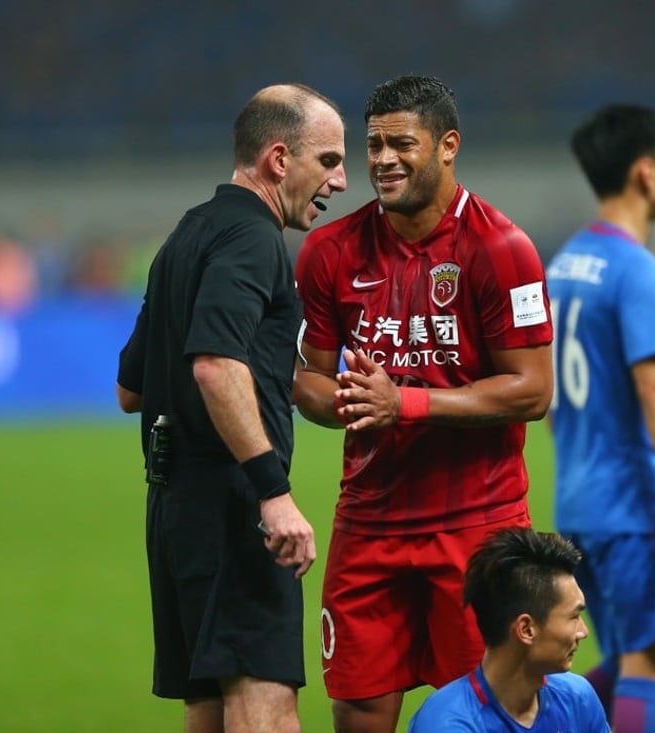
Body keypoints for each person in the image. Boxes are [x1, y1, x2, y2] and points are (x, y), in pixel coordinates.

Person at [293, 75, 554, 733]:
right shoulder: (329, 252)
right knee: (357, 711)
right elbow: (308, 380)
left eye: (401, 143)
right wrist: (350, 402)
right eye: (373, 144)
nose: (382, 159)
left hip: (476, 525)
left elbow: (532, 389)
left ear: (447, 146)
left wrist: (404, 403)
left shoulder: (503, 248)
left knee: (489, 714)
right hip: (369, 523)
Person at [115, 83, 347, 733]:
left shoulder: (186, 235)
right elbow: (216, 363)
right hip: (235, 504)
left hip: (173, 508)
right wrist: (271, 491)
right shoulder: (253, 240)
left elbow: (131, 388)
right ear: (279, 159)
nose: (341, 179)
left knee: (211, 703)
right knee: (263, 696)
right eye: (328, 160)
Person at [545, 104, 655, 733]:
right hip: (635, 504)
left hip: (578, 500)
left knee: (624, 658)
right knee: (653, 660)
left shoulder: (561, 266)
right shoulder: (636, 268)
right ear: (646, 171)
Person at [408, 528, 610, 732]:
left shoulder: (578, 698)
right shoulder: (447, 724)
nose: (583, 632)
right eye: (574, 616)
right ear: (526, 629)